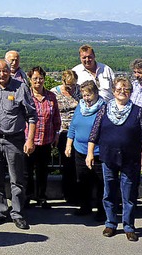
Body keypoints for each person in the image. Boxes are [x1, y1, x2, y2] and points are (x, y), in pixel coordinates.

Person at [86, 77, 142, 241]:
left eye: (126, 89)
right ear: (113, 91)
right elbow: (94, 133)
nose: (122, 92)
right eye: (119, 89)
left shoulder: (138, 111)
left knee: (128, 195)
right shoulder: (105, 110)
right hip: (108, 157)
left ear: (130, 92)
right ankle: (110, 223)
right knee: (109, 193)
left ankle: (129, 226)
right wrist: (90, 153)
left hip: (130, 159)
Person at [0, 59, 36, 230]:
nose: (1, 74)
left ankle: (18, 213)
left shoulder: (21, 88)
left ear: (9, 71)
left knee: (16, 179)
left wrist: (30, 139)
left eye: (4, 71)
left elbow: (32, 116)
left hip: (15, 139)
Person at [66, 81, 106, 220]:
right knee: (82, 180)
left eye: (89, 95)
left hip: (97, 152)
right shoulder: (80, 107)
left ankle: (102, 210)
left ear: (96, 93)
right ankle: (85, 206)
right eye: (83, 95)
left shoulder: (103, 108)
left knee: (100, 182)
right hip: (80, 149)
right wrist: (69, 144)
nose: (86, 98)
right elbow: (73, 126)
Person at [25, 66, 61, 209]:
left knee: (42, 171)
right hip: (29, 140)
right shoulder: (26, 95)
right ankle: (26, 197)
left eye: (40, 78)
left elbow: (56, 117)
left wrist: (57, 133)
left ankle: (41, 197)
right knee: (26, 172)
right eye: (35, 78)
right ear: (30, 80)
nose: (38, 81)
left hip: (46, 139)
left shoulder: (51, 97)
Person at [51, 70, 81, 204]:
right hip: (62, 132)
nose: (71, 88)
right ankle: (68, 194)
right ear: (63, 82)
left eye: (74, 85)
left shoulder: (80, 91)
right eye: (69, 86)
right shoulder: (55, 93)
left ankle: (79, 193)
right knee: (67, 164)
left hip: (79, 132)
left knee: (79, 164)